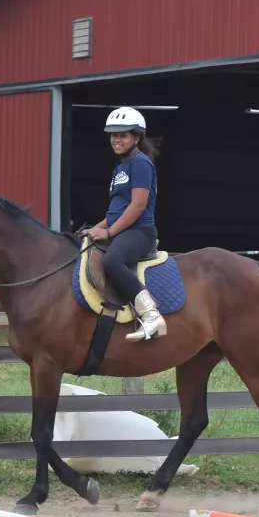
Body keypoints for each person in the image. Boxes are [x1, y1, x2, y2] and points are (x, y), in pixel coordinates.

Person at [82, 107, 165, 342]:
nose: (117, 139)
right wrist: (94, 228)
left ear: (137, 137)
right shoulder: (120, 167)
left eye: (123, 135)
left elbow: (137, 206)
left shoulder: (140, 163)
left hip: (140, 231)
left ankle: (150, 315)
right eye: (113, 135)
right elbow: (117, 211)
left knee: (112, 261)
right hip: (123, 229)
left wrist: (108, 232)